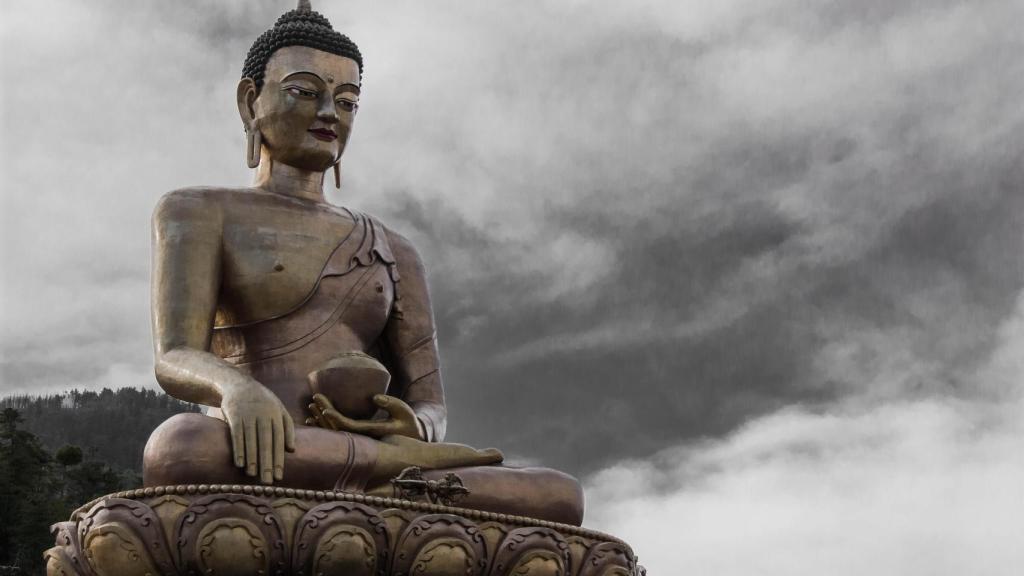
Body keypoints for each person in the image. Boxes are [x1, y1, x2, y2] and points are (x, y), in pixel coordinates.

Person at [142, 1, 584, 526]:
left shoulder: (395, 248)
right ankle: (389, 483)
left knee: (559, 495)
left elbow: (430, 403)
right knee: (181, 447)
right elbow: (174, 356)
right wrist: (236, 388)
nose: (330, 113)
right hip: (257, 453)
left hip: (334, 457)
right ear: (249, 102)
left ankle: (387, 478)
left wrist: (414, 427)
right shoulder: (197, 211)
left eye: (347, 101)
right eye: (306, 92)